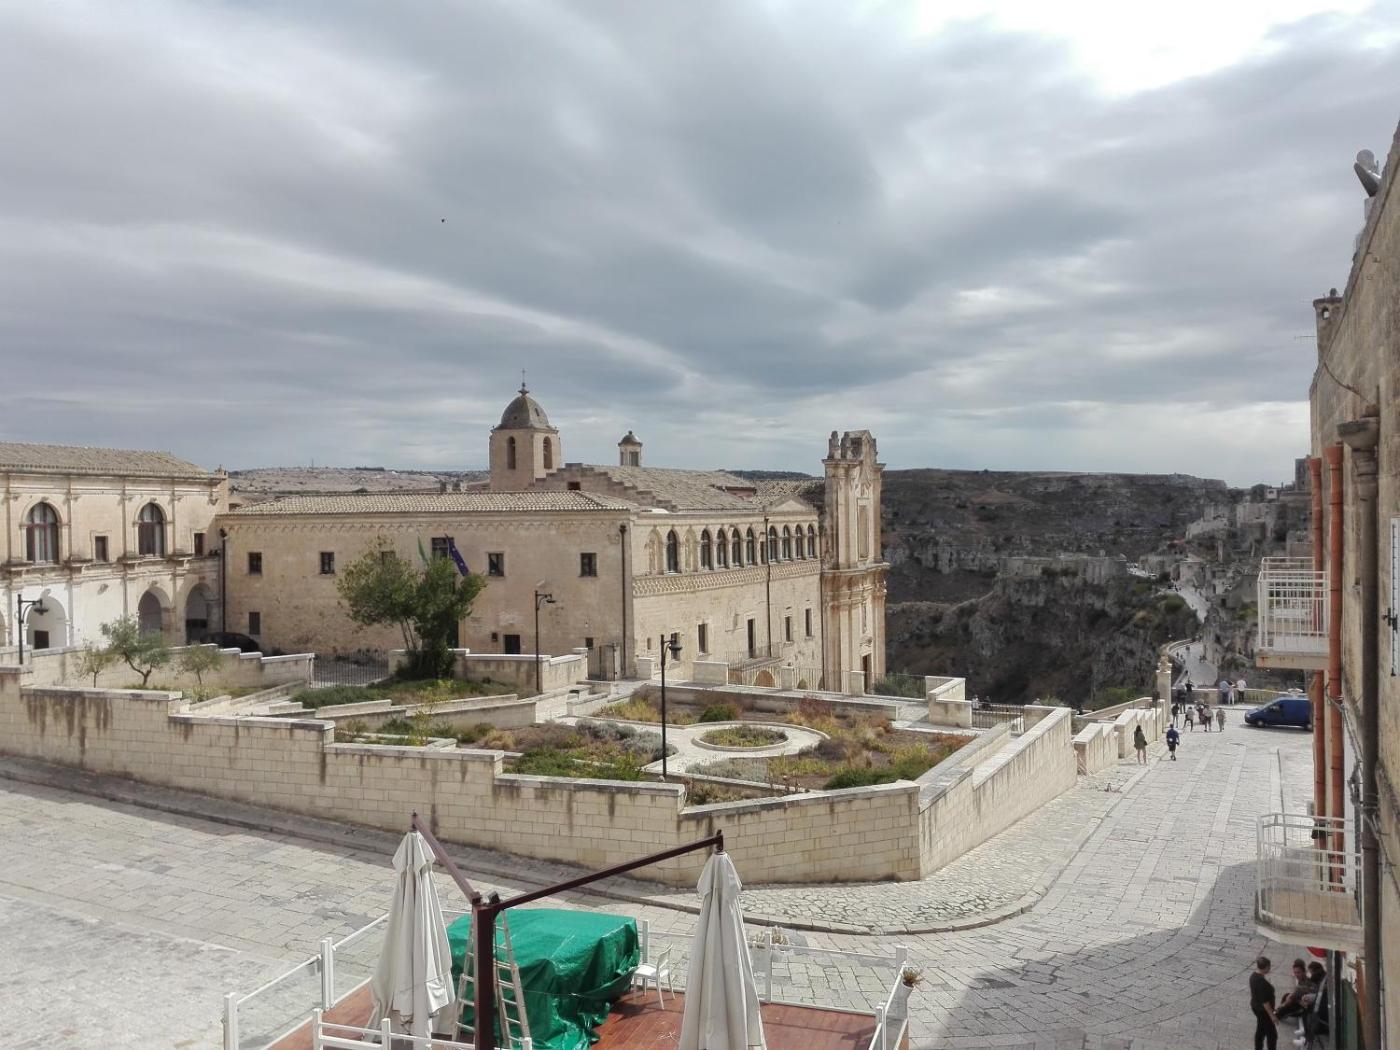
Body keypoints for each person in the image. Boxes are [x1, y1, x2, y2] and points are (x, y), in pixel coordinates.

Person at [1250, 956, 1279, 1050]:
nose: (1270, 968)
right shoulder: (1262, 982)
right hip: (1263, 1011)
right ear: (1266, 967)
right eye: (1269, 967)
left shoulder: (1253, 976)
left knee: (1261, 1030)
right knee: (1272, 1035)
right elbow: (1265, 1002)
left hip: (1256, 1007)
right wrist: (1272, 1016)